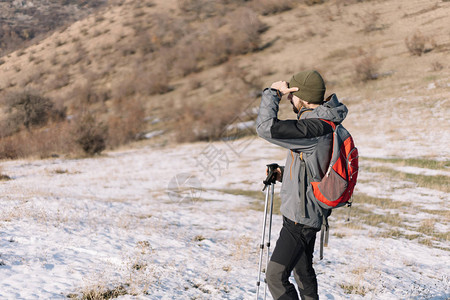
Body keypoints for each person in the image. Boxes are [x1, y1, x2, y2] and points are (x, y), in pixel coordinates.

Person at [255, 70, 349, 300]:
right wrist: (282, 173)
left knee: (275, 277)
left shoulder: (314, 128)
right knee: (302, 272)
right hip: (305, 210)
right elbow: (314, 169)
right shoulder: (321, 124)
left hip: (301, 217)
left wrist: (273, 93)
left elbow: (265, 128)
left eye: (292, 95)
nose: (289, 99)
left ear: (304, 97)